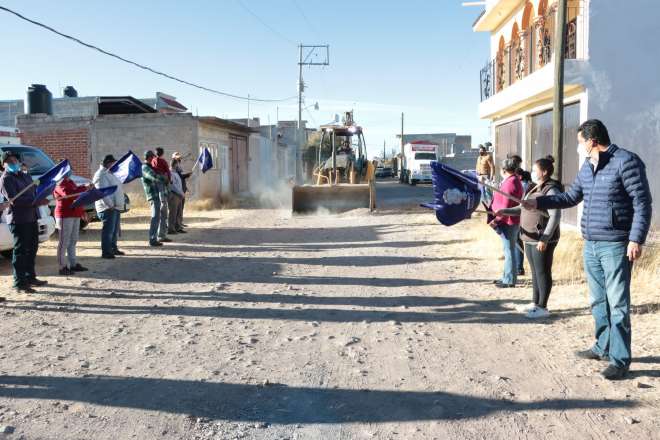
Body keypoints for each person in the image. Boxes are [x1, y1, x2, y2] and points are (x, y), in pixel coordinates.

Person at [523, 119, 652, 380]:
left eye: (580, 142)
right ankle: (602, 346)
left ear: (592, 141)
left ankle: (619, 359)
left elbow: (642, 202)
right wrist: (539, 201)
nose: (579, 147)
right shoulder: (587, 166)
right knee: (597, 300)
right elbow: (570, 197)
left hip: (616, 244)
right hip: (591, 243)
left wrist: (636, 239)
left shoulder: (626, 162)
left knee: (618, 304)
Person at [496, 156, 562, 318]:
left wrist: (545, 238)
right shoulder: (533, 187)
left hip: (542, 239)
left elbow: (555, 216)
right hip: (529, 237)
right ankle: (535, 302)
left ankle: (542, 307)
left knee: (542, 271)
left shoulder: (551, 189)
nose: (531, 172)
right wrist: (505, 211)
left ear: (544, 172)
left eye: (534, 170)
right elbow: (522, 207)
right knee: (534, 271)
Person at [0, 151, 49, 293]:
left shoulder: (25, 175)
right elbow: (14, 200)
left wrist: (42, 194)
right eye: (9, 161)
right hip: (19, 219)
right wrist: (37, 202)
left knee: (32, 249)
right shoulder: (6, 179)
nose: (13, 163)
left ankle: (30, 277)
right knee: (21, 251)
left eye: (15, 159)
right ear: (3, 165)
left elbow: (34, 191)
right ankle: (19, 282)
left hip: (32, 217)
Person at [490, 158, 524, 288]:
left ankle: (509, 280)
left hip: (508, 221)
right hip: (508, 220)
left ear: (504, 170)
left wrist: (497, 220)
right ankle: (506, 276)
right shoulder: (513, 180)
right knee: (508, 250)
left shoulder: (510, 183)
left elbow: (506, 205)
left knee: (509, 251)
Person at [53, 171, 91, 275]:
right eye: (67, 170)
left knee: (73, 240)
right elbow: (68, 195)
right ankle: (62, 267)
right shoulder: (59, 183)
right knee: (64, 242)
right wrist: (84, 187)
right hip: (65, 215)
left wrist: (82, 211)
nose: (70, 172)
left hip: (75, 214)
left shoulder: (72, 182)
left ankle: (73, 264)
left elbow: (78, 198)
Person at [93, 155, 125, 259]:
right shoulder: (101, 174)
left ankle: (113, 248)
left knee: (114, 230)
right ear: (107, 163)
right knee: (108, 231)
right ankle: (106, 252)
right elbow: (102, 192)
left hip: (115, 206)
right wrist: (110, 205)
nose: (114, 164)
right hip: (107, 207)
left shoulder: (110, 173)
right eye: (112, 162)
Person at [510, 154, 533, 276]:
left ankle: (519, 267)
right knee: (517, 241)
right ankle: (518, 266)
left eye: (514, 163)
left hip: (519, 215)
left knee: (517, 241)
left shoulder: (521, 182)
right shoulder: (520, 181)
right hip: (518, 214)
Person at [142, 151, 168, 247]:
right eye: (153, 157)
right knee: (155, 217)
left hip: (157, 195)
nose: (154, 158)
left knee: (158, 217)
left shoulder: (150, 167)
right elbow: (154, 177)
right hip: (153, 195)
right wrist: (164, 177)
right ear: (149, 157)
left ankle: (155, 238)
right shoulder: (145, 167)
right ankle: (152, 239)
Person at [151, 147, 171, 243]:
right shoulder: (163, 161)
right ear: (162, 153)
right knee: (163, 213)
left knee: (158, 214)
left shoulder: (152, 162)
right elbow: (168, 172)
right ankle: (161, 235)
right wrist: (168, 180)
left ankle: (160, 235)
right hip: (162, 188)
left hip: (155, 189)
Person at [172, 152, 191, 229]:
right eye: (178, 157)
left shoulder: (178, 165)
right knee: (178, 208)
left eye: (179, 157)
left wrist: (185, 187)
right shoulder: (174, 166)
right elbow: (180, 176)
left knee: (181, 207)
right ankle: (177, 224)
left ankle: (180, 222)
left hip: (182, 188)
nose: (180, 158)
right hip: (178, 190)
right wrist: (187, 175)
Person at [167, 158, 185, 234]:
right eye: (178, 164)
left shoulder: (176, 172)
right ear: (174, 164)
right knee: (173, 213)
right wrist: (181, 193)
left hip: (179, 195)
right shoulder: (170, 173)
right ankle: (171, 229)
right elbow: (173, 186)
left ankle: (178, 227)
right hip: (174, 194)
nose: (179, 165)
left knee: (179, 212)